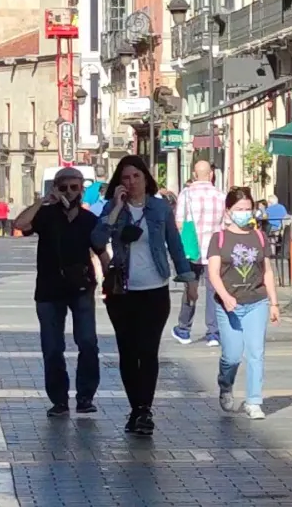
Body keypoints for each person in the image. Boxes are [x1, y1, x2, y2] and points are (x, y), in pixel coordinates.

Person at [91, 155, 196, 436]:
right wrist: (115, 208)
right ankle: (135, 408)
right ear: (118, 183)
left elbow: (174, 244)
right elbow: (97, 240)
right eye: (125, 178)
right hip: (122, 291)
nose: (131, 182)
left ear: (145, 178)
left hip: (154, 289)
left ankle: (145, 410)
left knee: (148, 351)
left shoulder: (159, 208)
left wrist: (189, 279)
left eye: (136, 176)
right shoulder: (112, 208)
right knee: (127, 351)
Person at [13, 167, 103, 418]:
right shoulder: (46, 214)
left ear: (81, 190)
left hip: (81, 288)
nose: (70, 192)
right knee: (52, 347)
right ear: (56, 188)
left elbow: (100, 250)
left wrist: (110, 279)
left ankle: (85, 397)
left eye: (75, 187)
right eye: (64, 187)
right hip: (49, 290)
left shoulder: (88, 219)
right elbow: (20, 224)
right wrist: (42, 201)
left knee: (87, 342)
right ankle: (59, 400)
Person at [206, 187, 280, 419]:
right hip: (229, 305)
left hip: (256, 300)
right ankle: (225, 383)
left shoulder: (259, 237)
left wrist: (274, 303)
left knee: (256, 352)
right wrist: (226, 297)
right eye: (239, 209)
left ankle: (253, 401)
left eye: (248, 209)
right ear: (228, 211)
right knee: (232, 355)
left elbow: (267, 271)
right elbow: (213, 273)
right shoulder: (219, 239)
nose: (244, 213)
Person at [172, 160, 226, 347]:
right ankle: (213, 333)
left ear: (194, 175)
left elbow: (179, 223)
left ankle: (184, 329)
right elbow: (225, 223)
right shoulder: (220, 195)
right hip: (214, 251)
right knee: (214, 291)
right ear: (211, 174)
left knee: (191, 289)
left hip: (191, 250)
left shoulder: (186, 194)